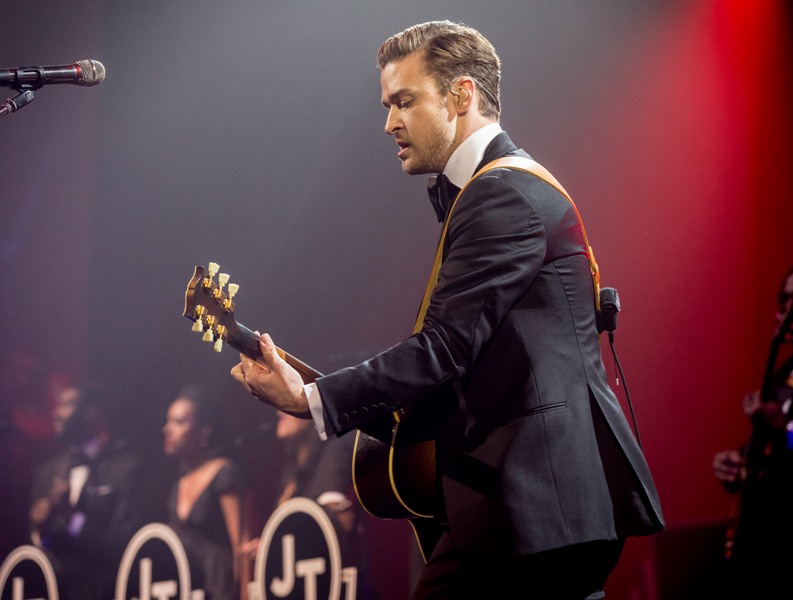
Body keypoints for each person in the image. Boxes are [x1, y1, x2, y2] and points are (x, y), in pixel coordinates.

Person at [231, 20, 665, 599]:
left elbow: (445, 346)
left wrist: (313, 398)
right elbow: (469, 361)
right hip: (533, 510)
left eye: (404, 101)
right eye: (388, 105)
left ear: (462, 95)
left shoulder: (503, 193)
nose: (389, 123)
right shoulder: (489, 191)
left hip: (538, 508)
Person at [712, 264, 793, 598]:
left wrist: (781, 425)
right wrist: (738, 463)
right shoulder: (785, 375)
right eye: (784, 300)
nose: (786, 311)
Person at [28, 380, 150, 600]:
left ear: (93, 412)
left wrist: (73, 520)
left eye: (66, 404)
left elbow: (128, 546)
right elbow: (40, 550)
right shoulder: (49, 472)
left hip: (108, 592)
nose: (56, 413)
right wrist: (41, 528)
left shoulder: (126, 468)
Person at [163, 384, 247, 600]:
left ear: (204, 430)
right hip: (188, 588)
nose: (167, 429)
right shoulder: (177, 485)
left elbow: (240, 544)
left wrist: (245, 593)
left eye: (178, 422)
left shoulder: (223, 472)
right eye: (168, 421)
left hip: (219, 584)